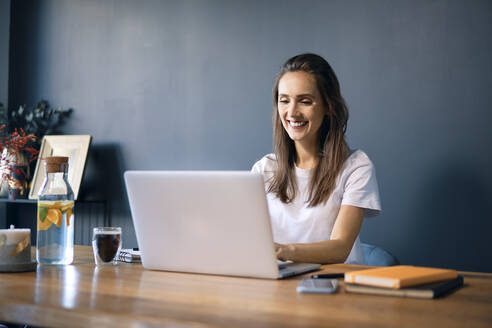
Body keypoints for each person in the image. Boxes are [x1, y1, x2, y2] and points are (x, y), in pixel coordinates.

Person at [251, 53, 381, 264]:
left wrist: (283, 251)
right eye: (284, 101)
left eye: (305, 101)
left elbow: (340, 247)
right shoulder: (263, 169)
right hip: (279, 287)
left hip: (334, 287)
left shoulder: (356, 167)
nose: (292, 112)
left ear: (328, 106)